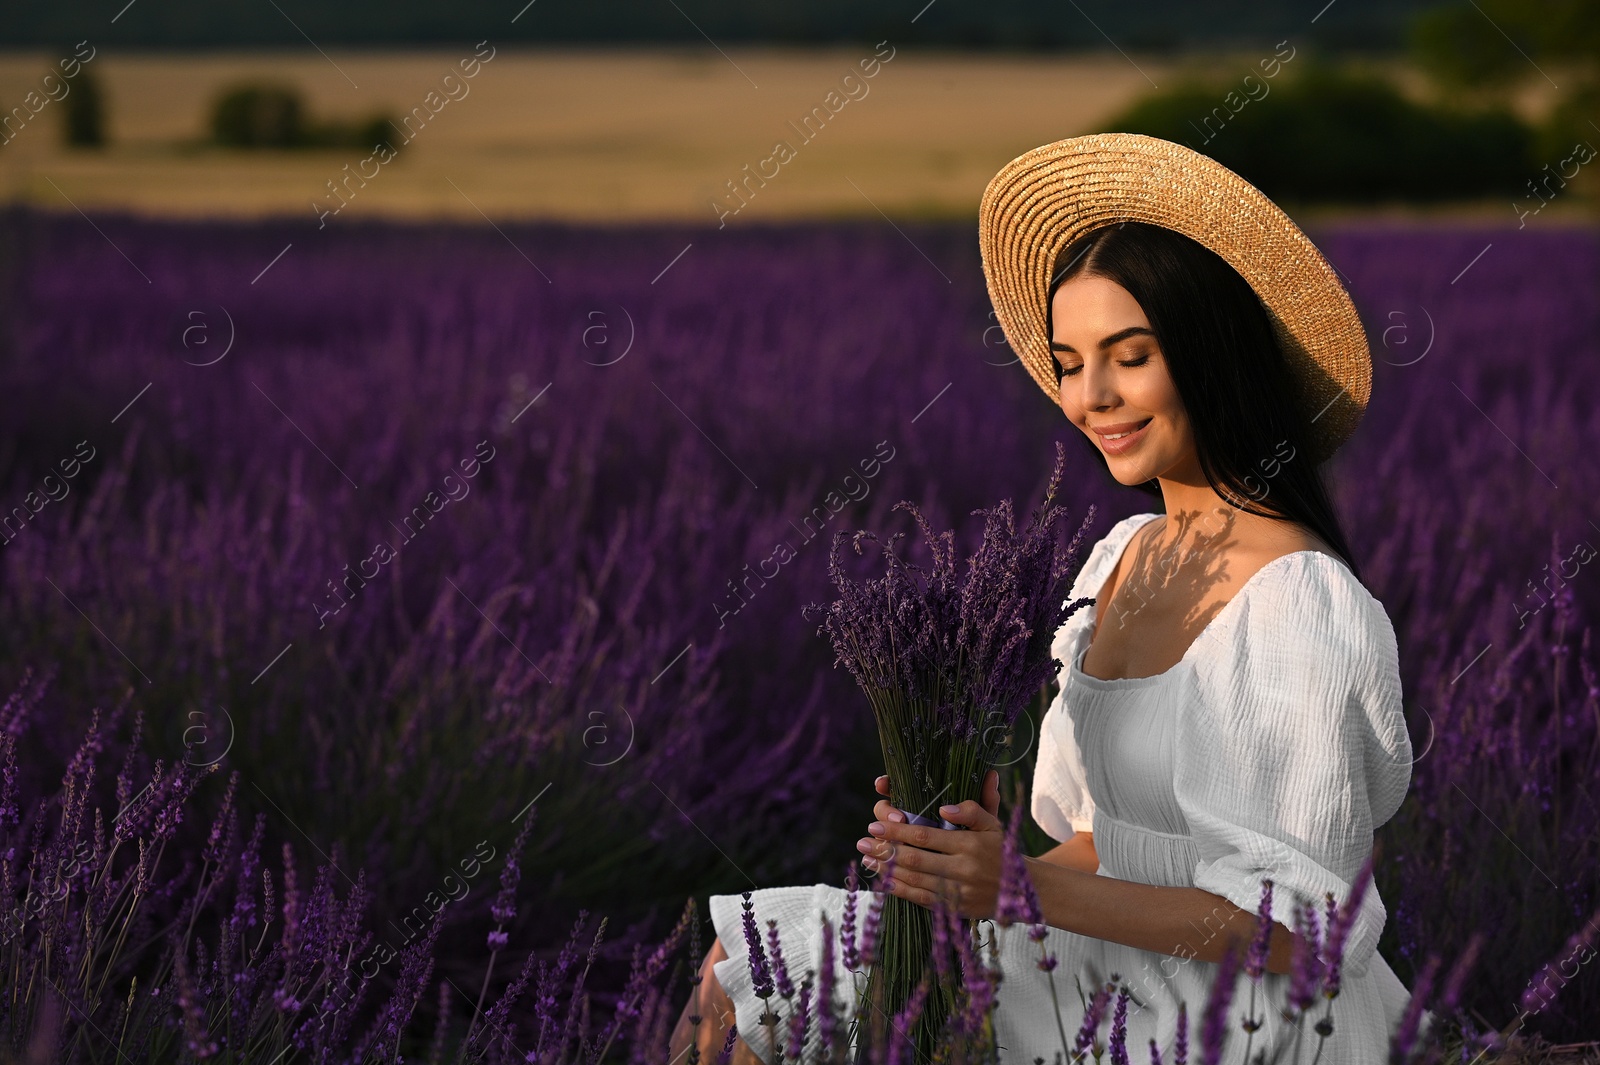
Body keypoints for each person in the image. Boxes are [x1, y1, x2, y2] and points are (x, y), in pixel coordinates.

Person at [668, 133, 1425, 1064]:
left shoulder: (1298, 603)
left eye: (1130, 355)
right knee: (751, 961)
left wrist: (1017, 891)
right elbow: (1100, 845)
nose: (1090, 396)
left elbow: (1300, 932)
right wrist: (963, 857)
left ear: (1214, 354)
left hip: (1243, 1014)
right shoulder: (1121, 558)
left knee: (782, 982)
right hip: (1113, 959)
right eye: (1069, 362)